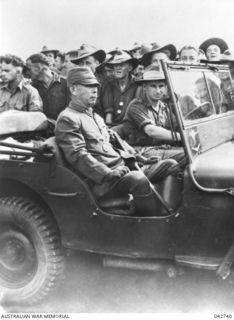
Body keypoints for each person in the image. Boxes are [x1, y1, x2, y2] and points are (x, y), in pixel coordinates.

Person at [55, 67, 181, 216]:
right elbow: (78, 155)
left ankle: (168, 212)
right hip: (103, 182)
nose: (95, 91)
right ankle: (153, 225)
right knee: (138, 179)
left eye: (96, 87)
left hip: (122, 169)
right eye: (89, 87)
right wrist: (108, 173)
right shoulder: (68, 118)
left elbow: (116, 140)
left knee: (171, 165)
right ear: (74, 89)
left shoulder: (95, 116)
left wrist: (140, 158)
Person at [122, 65, 186, 167]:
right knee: (188, 155)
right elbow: (151, 131)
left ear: (165, 87)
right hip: (142, 152)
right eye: (153, 86)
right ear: (144, 87)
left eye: (161, 86)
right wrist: (183, 137)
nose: (158, 91)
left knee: (196, 152)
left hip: (161, 148)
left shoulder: (164, 107)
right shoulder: (136, 105)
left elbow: (177, 127)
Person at [99, 49, 139, 126]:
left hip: (132, 126)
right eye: (116, 65)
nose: (118, 68)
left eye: (122, 65)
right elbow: (108, 112)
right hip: (113, 126)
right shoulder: (108, 84)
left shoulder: (137, 84)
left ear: (130, 68)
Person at [26, 53, 69, 121]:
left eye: (29, 69)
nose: (27, 73)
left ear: (38, 68)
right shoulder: (31, 88)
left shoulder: (66, 84)